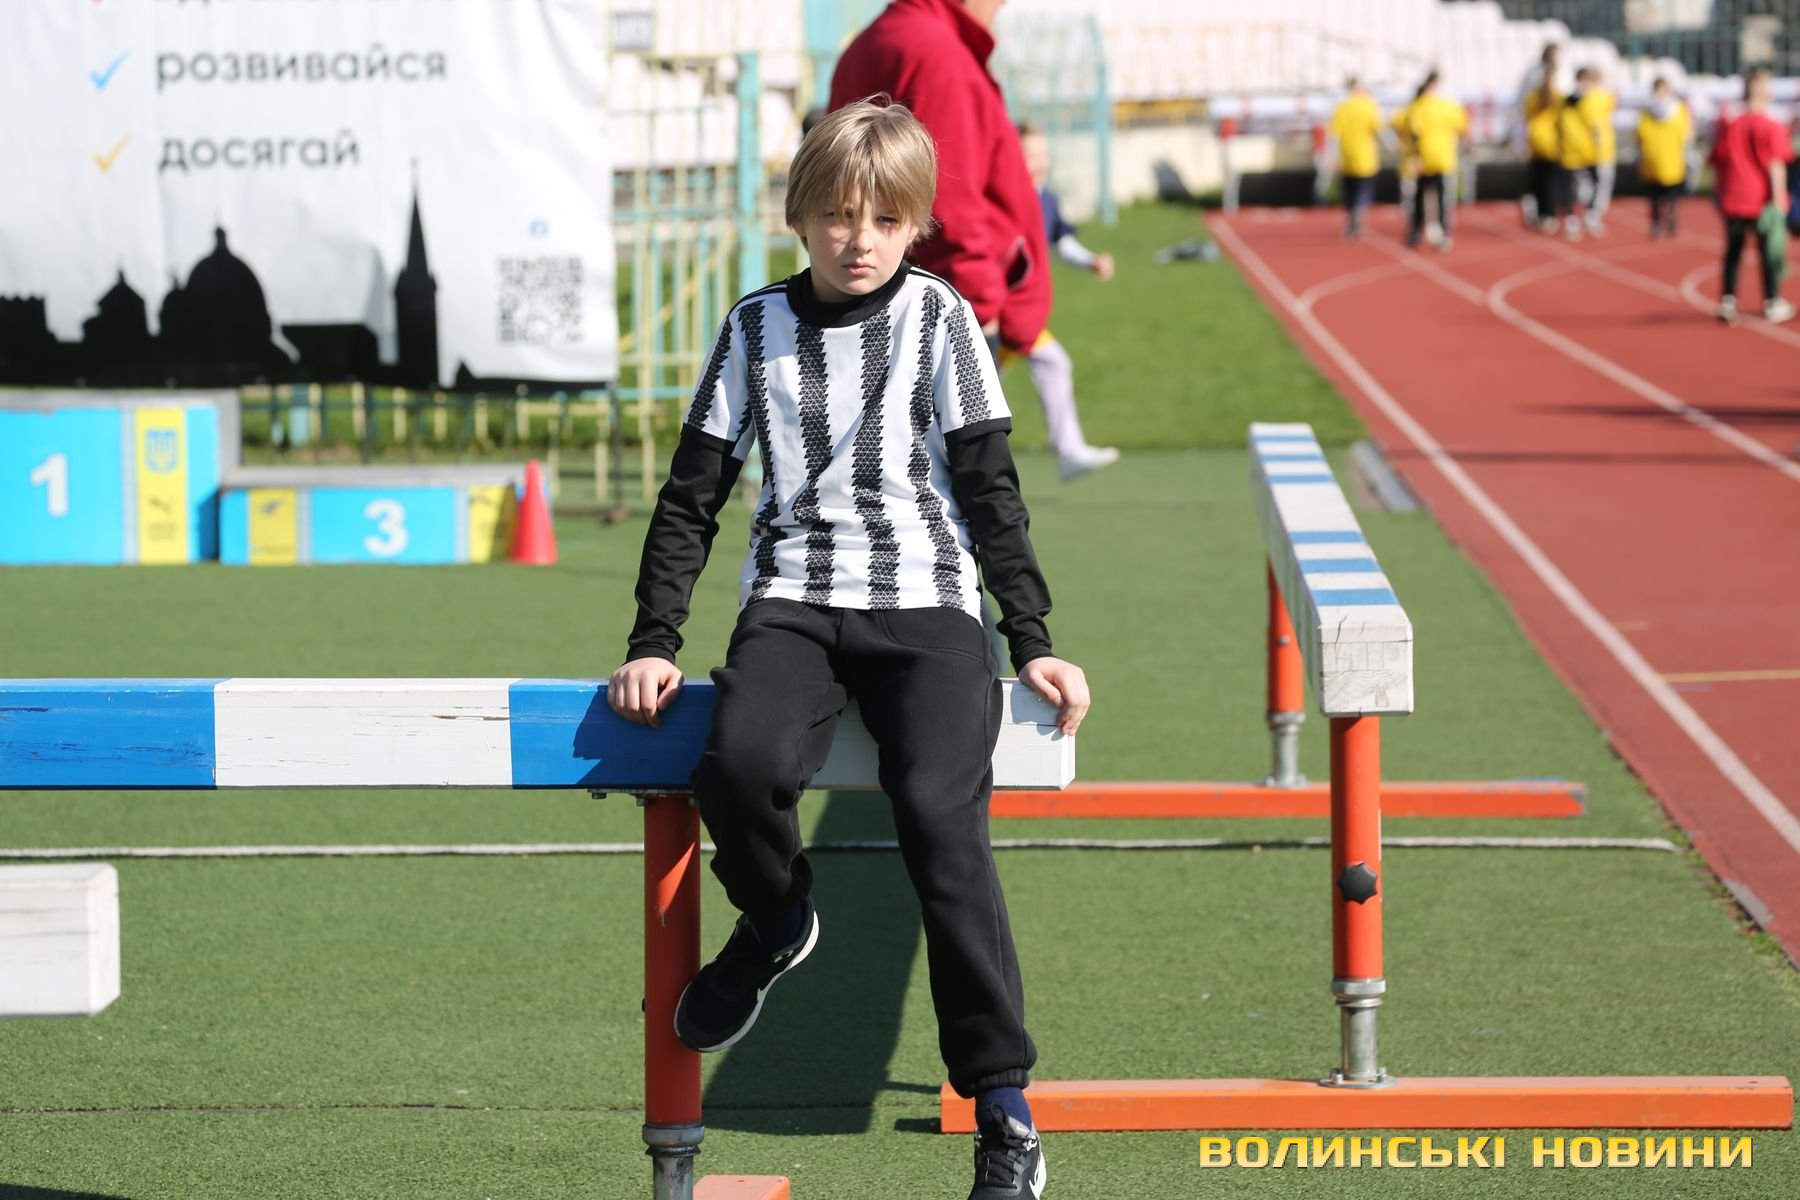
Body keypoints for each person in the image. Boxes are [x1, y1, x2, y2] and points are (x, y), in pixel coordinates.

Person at [609, 99, 1087, 1200]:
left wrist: (1032, 638)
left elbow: (992, 490)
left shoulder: (943, 318)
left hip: (927, 607)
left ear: (916, 224)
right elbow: (691, 498)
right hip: (795, 602)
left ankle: (1005, 1112)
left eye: (884, 219)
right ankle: (777, 918)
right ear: (799, 219)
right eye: (835, 216)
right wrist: (653, 640)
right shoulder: (753, 327)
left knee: (938, 821)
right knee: (737, 765)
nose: (858, 240)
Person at [828, 0, 1121, 482]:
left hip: (881, 297)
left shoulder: (874, 41)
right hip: (942, 306)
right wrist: (979, 312)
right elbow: (951, 202)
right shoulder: (937, 53)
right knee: (956, 492)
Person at [1012, 122, 1120, 479]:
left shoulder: (1046, 198)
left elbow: (1061, 241)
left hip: (1023, 317)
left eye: (1043, 154)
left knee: (1053, 363)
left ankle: (1070, 452)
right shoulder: (1006, 200)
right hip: (1000, 315)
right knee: (967, 387)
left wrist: (1090, 261)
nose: (1041, 162)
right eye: (1031, 155)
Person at [1710, 65, 1794, 325]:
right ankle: (1772, 300)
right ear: (1763, 92)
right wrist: (1779, 199)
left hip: (1733, 197)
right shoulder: (1770, 126)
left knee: (1733, 250)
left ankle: (1728, 300)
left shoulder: (1731, 126)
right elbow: (1775, 164)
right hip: (1760, 200)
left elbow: (1718, 160)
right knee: (1768, 252)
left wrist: (1718, 192)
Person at [1401, 71, 1468, 251]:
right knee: (1442, 198)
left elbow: (1412, 131)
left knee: (1420, 196)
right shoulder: (1448, 106)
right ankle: (1443, 233)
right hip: (1443, 158)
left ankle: (1416, 232)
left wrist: (1415, 156)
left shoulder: (1419, 106)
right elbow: (1462, 127)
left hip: (1426, 158)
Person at [1330, 76, 1383, 239]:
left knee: (1350, 191)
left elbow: (1334, 135)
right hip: (1365, 157)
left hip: (1347, 157)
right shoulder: (1369, 106)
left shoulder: (1342, 108)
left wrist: (1331, 156)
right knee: (1363, 190)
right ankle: (1358, 215)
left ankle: (1352, 218)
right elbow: (1379, 130)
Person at [1636, 78, 1690, 238]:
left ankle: (1669, 218)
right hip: (1653, 160)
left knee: (1671, 195)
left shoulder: (1677, 109)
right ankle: (1657, 221)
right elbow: (1641, 133)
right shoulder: (1648, 111)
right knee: (1654, 197)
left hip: (1670, 159)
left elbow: (1684, 133)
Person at [1556, 70, 1600, 239]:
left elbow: (1595, 124)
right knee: (1568, 187)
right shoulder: (1565, 101)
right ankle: (1571, 219)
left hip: (1587, 151)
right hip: (1569, 150)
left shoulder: (1591, 100)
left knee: (1594, 182)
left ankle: (1590, 215)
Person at [1577, 67, 1618, 235]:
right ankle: (1591, 215)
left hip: (1592, 149)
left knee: (1592, 184)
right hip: (1596, 150)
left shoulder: (1587, 98)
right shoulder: (1596, 97)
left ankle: (1590, 214)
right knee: (1598, 185)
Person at [1524, 79, 1565, 234]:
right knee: (1539, 185)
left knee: (1549, 185)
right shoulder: (1534, 102)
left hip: (1551, 150)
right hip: (1538, 150)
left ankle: (1549, 214)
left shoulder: (1557, 102)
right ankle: (1541, 214)